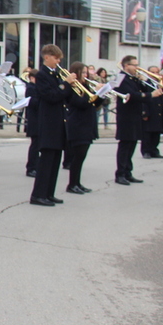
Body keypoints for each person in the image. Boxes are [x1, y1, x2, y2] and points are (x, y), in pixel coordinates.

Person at [29, 45, 73, 205]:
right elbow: (51, 96)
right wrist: (65, 85)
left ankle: (48, 193)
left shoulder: (55, 75)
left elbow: (62, 97)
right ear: (47, 57)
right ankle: (38, 195)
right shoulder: (42, 75)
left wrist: (69, 87)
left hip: (58, 123)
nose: (59, 61)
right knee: (46, 162)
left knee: (55, 161)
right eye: (56, 58)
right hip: (48, 124)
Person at [114, 56, 163, 185]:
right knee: (125, 146)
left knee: (132, 145)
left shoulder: (132, 78)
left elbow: (142, 90)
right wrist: (150, 95)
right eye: (134, 65)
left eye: (137, 64)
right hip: (126, 117)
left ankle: (128, 172)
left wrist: (143, 81)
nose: (137, 67)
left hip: (135, 116)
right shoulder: (121, 78)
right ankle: (120, 174)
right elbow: (131, 95)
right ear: (126, 65)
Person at [65, 62, 103, 194]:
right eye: (84, 72)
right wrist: (95, 93)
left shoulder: (86, 86)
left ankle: (77, 183)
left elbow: (95, 103)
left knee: (82, 157)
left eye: (87, 72)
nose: (86, 75)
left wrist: (101, 94)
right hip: (77, 125)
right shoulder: (72, 87)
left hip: (87, 124)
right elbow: (80, 103)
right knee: (77, 156)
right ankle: (72, 184)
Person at [141, 65, 163, 158]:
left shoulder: (160, 84)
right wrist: (145, 112)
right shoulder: (145, 84)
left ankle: (154, 150)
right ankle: (146, 151)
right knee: (147, 133)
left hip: (159, 111)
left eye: (157, 72)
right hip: (150, 110)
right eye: (153, 72)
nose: (155, 75)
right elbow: (143, 99)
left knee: (156, 132)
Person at [24, 70, 40, 177]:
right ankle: (31, 167)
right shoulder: (31, 88)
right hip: (34, 120)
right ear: (32, 78)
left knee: (37, 145)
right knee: (35, 145)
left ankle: (36, 165)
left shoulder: (36, 88)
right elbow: (33, 102)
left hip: (38, 120)